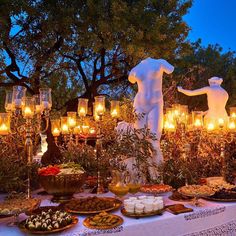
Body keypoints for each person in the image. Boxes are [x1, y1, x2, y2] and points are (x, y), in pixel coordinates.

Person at [128, 57, 174, 179]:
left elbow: (170, 69)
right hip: (139, 105)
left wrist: (162, 65)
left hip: (155, 104)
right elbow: (131, 79)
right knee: (139, 140)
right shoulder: (136, 68)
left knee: (154, 142)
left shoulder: (160, 62)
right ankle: (140, 177)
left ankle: (157, 178)